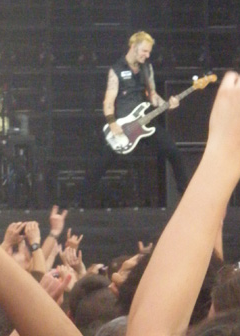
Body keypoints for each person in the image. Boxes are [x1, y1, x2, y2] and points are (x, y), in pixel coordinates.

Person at [79, 31, 188, 206]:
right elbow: (108, 100)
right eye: (145, 51)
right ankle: (78, 203)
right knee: (101, 163)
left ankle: (186, 195)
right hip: (124, 127)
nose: (148, 55)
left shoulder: (147, 68)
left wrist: (167, 103)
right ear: (133, 47)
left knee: (173, 151)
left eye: (149, 52)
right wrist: (112, 123)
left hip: (145, 122)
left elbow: (152, 96)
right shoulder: (116, 70)